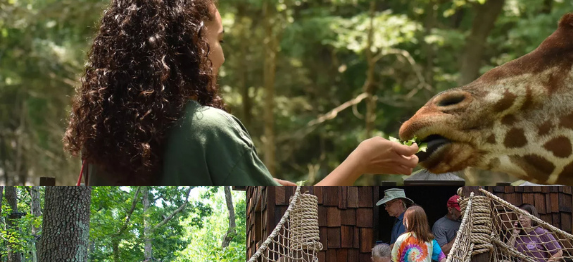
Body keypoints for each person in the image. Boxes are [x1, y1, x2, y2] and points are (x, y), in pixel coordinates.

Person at [64, 0, 419, 186]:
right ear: (191, 44)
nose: (223, 55)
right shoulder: (209, 130)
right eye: (219, 40)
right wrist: (361, 160)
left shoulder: (104, 139)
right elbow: (287, 221)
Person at [432, 195, 463, 262]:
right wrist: (458, 236)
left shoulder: (464, 221)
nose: (462, 212)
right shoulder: (439, 226)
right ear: (450, 209)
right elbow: (442, 252)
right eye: (459, 210)